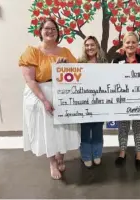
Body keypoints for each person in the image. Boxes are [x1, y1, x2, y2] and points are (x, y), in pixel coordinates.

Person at [18, 18, 80, 180]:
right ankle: (52, 162)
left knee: (62, 128)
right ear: (40, 31)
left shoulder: (65, 52)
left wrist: (65, 67)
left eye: (53, 29)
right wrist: (44, 100)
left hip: (62, 93)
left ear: (58, 32)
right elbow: (30, 80)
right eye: (47, 28)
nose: (50, 31)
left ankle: (60, 156)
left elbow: (77, 74)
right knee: (48, 130)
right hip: (41, 93)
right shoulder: (32, 51)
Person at [112, 32, 140, 170]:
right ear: (123, 45)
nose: (130, 45)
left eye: (133, 42)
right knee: (123, 127)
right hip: (123, 100)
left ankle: (138, 155)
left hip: (139, 99)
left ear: (137, 44)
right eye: (128, 42)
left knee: (139, 128)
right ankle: (122, 153)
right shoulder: (117, 61)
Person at [77, 36, 107, 168]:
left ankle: (97, 154)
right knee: (85, 129)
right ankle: (86, 156)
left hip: (100, 102)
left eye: (92, 45)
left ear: (97, 47)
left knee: (97, 129)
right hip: (84, 103)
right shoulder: (79, 63)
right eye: (87, 45)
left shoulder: (104, 63)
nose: (90, 47)